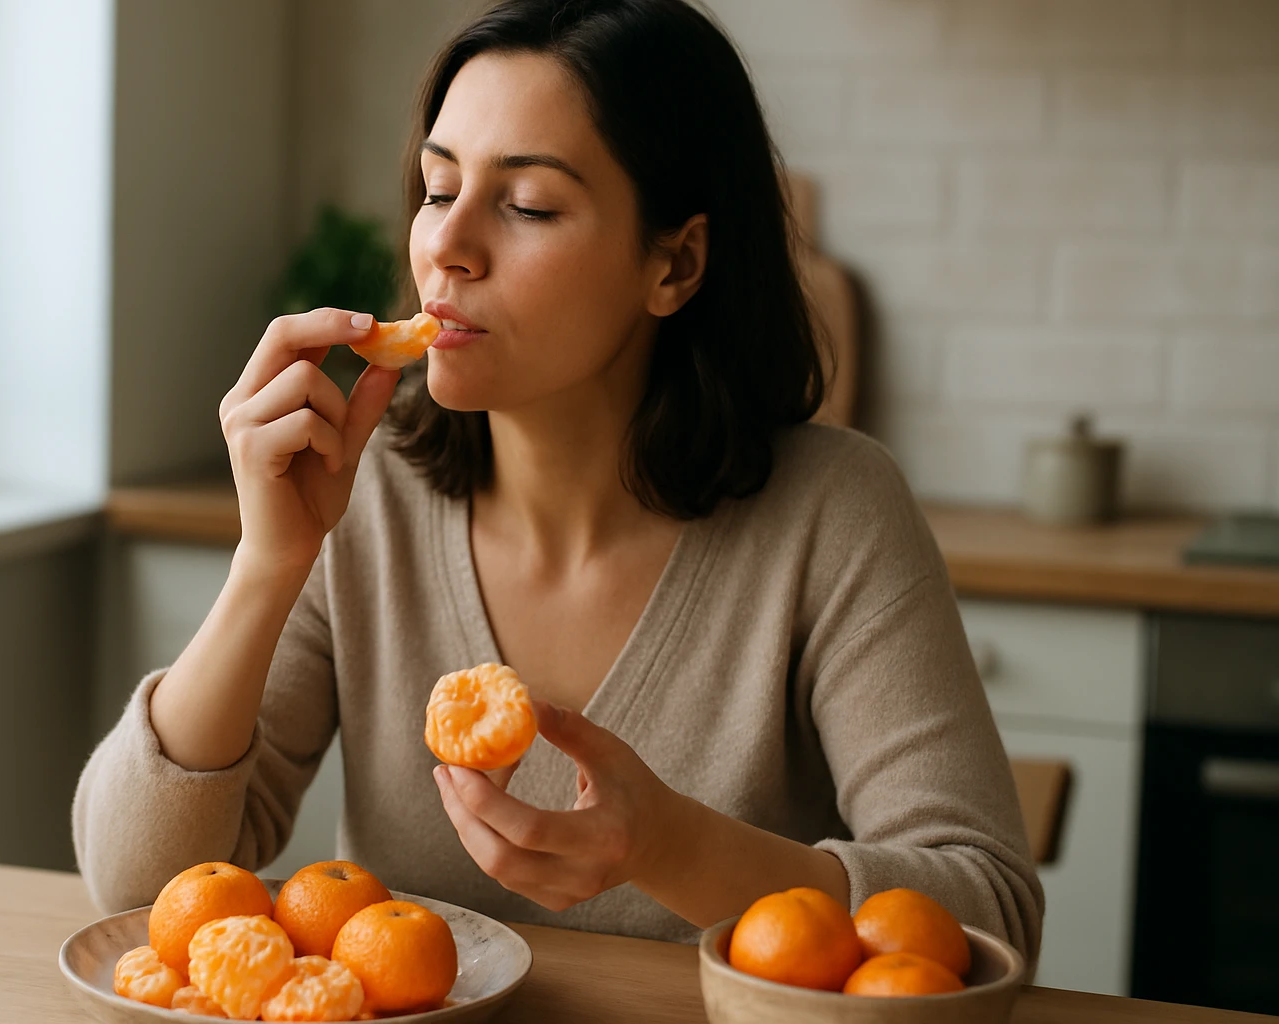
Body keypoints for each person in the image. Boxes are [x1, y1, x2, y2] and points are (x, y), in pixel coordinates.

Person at [73, 0, 1043, 964]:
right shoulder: (370, 494)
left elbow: (990, 910)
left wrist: (666, 844)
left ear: (677, 262)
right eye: (437, 187)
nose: (447, 247)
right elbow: (136, 885)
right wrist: (267, 564)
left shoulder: (835, 510)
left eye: (528, 205)